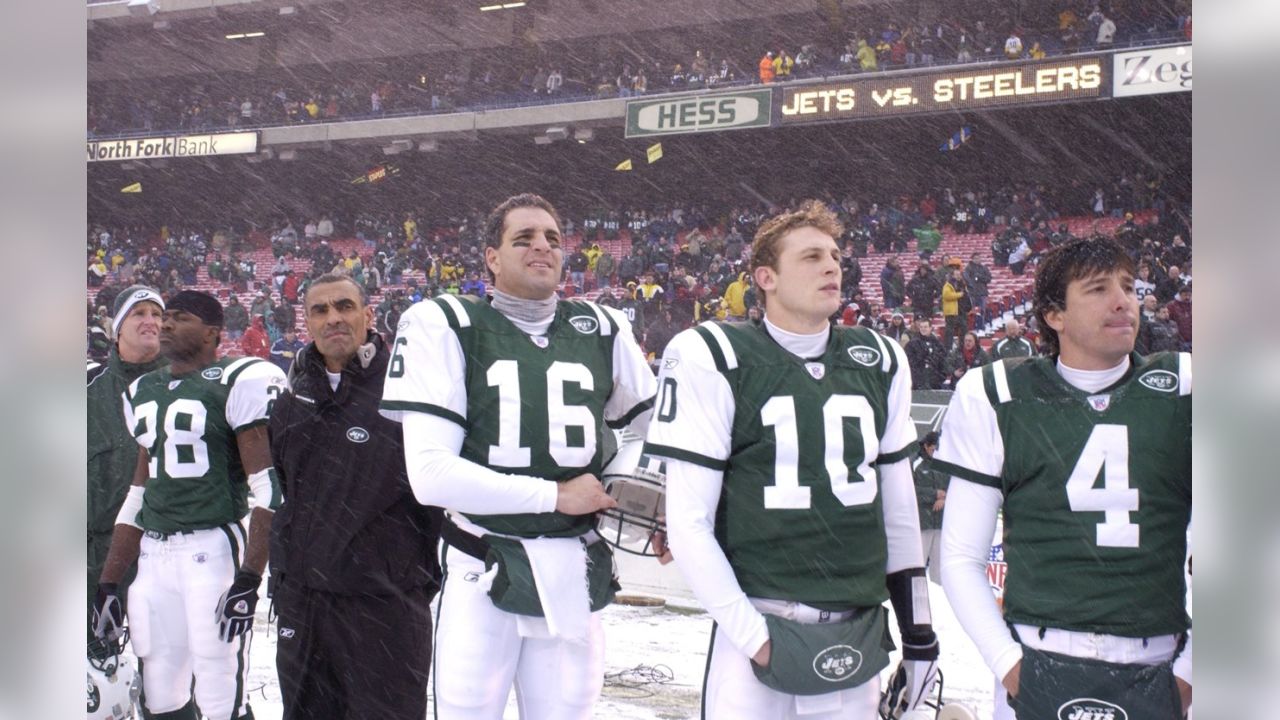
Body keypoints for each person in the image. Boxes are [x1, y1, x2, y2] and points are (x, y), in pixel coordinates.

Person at [643, 201, 940, 719]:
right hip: (760, 621)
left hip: (857, 627)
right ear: (766, 277)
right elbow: (688, 523)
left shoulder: (880, 358)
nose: (832, 266)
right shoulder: (714, 353)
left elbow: (898, 512)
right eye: (810, 257)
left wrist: (918, 633)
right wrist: (755, 638)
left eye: (835, 256)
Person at [379, 193, 657, 720]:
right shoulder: (447, 321)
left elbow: (656, 437)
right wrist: (556, 494)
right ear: (491, 256)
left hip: (574, 563)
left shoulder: (601, 326)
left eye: (553, 238)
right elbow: (431, 475)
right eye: (523, 238)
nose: (542, 247)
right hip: (482, 559)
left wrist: (633, 496)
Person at [933, 238, 1192, 720]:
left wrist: (1189, 676)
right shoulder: (997, 393)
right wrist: (1010, 667)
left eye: (1129, 287)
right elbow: (961, 558)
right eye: (1098, 289)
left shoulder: (1186, 387)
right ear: (1055, 316)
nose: (1123, 301)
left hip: (1158, 657)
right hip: (1036, 654)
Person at [92, 290, 288, 720]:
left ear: (212, 333)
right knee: (159, 685)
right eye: (165, 316)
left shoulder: (235, 381)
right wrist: (109, 582)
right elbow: (138, 494)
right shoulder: (144, 390)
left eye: (178, 317)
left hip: (212, 545)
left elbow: (267, 489)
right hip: (155, 554)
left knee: (218, 684)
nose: (165, 324)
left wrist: (250, 575)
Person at [270, 274, 443, 719]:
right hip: (305, 605)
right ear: (305, 322)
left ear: (368, 315)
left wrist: (404, 575)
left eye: (345, 306)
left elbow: (433, 497)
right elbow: (289, 492)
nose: (334, 319)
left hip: (383, 605)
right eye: (320, 310)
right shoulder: (293, 396)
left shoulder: (408, 391)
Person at [88, 286, 168, 651]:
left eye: (157, 314)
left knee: (167, 690)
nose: (150, 321)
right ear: (117, 328)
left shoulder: (190, 388)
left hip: (169, 558)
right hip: (98, 562)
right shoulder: (86, 391)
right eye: (139, 313)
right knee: (95, 687)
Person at [912, 431, 946, 584]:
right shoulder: (915, 463)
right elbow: (910, 491)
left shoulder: (945, 462)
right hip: (922, 522)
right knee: (918, 563)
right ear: (926, 446)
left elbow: (954, 488)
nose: (936, 453)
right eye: (933, 449)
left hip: (941, 523)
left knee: (939, 566)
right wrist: (934, 494)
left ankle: (940, 597)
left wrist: (944, 499)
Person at [906, 316, 946, 390]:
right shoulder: (912, 344)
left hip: (934, 381)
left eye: (925, 327)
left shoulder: (937, 343)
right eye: (921, 327)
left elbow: (943, 361)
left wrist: (940, 376)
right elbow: (909, 362)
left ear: (930, 328)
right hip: (917, 381)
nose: (923, 329)